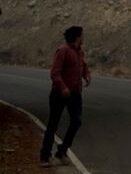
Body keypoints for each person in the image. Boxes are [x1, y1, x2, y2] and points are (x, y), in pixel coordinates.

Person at [40, 25, 91, 167]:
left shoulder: (79, 52)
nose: (83, 38)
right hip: (59, 93)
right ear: (77, 37)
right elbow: (55, 72)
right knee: (53, 125)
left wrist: (86, 74)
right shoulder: (63, 51)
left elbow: (83, 66)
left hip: (75, 94)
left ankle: (62, 149)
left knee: (77, 121)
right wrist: (63, 87)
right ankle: (44, 156)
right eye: (82, 35)